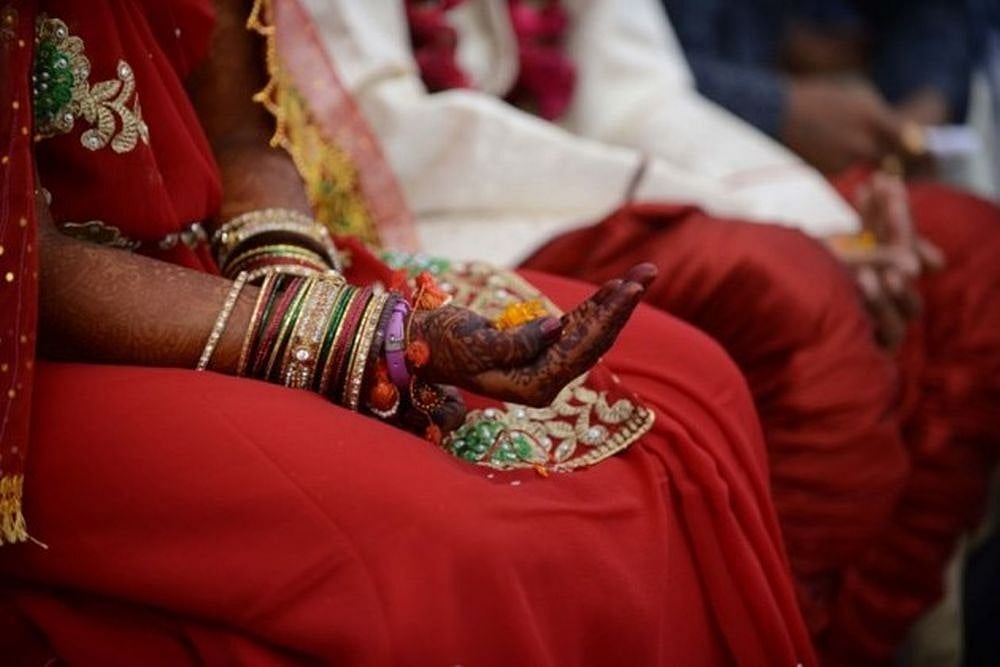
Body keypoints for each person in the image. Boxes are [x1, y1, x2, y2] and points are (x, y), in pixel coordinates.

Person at [0, 0, 817, 664]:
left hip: (211, 266)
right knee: (484, 545)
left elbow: (244, 133)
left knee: (689, 387)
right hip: (40, 351)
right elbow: (28, 257)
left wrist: (292, 273)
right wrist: (344, 336)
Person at [300, 1, 1000, 663]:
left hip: (604, 180)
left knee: (971, 254)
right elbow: (389, 134)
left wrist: (823, 220)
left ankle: (850, 642)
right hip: (451, 213)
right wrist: (785, 223)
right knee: (792, 292)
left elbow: (637, 94)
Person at [665, 0, 976, 174]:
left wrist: (926, 98)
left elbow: (932, 14)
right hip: (682, 166)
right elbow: (631, 68)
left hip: (850, 166)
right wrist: (781, 109)